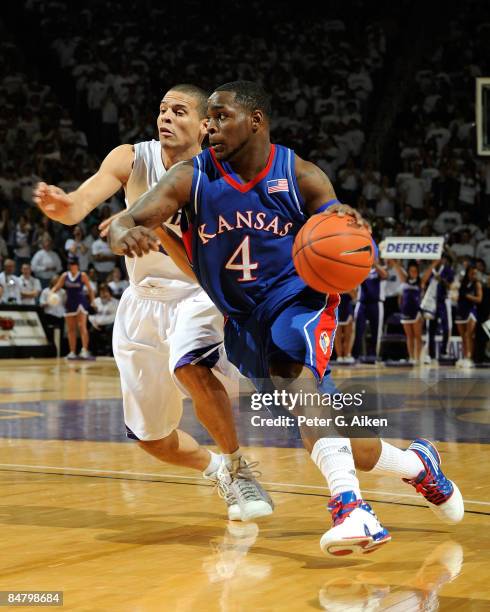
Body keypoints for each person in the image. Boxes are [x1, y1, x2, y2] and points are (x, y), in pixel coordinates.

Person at [107, 81, 463, 555]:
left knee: (290, 372)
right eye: (207, 118)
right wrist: (124, 231)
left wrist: (352, 233)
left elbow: (345, 231)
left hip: (299, 300)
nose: (209, 126)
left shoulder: (302, 176)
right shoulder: (191, 177)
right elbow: (127, 219)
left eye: (221, 117)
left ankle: (353, 509)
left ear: (256, 121)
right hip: (242, 319)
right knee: (341, 434)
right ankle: (419, 466)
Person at [33, 83, 271, 521]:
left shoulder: (224, 175)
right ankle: (217, 470)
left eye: (178, 111)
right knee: (152, 439)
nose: (165, 117)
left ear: (204, 125)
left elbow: (204, 269)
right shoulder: (131, 158)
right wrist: (62, 205)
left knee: (190, 363)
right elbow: (76, 208)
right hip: (142, 302)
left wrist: (158, 231)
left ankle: (239, 469)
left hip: (200, 293)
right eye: (162, 109)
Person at [51, 254, 94, 360]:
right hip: (69, 303)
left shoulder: (82, 275)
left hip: (81, 303)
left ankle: (84, 350)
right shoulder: (65, 276)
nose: (72, 266)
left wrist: (92, 301)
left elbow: (90, 289)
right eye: (70, 264)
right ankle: (72, 351)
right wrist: (51, 294)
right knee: (70, 329)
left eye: (74, 264)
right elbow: (56, 287)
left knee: (82, 327)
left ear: (77, 265)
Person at [421, 253, 455, 362]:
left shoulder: (448, 270)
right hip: (431, 302)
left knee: (446, 327)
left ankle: (444, 351)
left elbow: (450, 286)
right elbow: (423, 282)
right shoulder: (430, 270)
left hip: (443, 301)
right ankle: (430, 355)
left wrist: (441, 280)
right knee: (430, 328)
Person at [352, 261, 388, 361]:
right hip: (362, 303)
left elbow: (385, 275)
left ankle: (374, 355)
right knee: (357, 330)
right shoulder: (361, 270)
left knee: (376, 331)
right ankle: (356, 355)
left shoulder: (379, 269)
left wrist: (375, 264)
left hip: (376, 303)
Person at [392, 260, 423, 364]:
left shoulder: (421, 282)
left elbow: (429, 270)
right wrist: (390, 257)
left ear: (418, 272)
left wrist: (435, 262)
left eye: (415, 271)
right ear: (408, 271)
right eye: (411, 271)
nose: (413, 273)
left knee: (417, 336)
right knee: (409, 336)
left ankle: (418, 358)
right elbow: (396, 266)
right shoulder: (404, 280)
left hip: (416, 313)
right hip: (405, 312)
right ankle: (411, 358)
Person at [454, 264, 482, 368]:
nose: (473, 275)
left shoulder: (477, 284)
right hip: (461, 310)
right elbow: (455, 294)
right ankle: (464, 356)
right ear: (467, 272)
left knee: (469, 335)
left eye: (475, 273)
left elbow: (479, 299)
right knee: (463, 337)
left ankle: (469, 358)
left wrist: (467, 296)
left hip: (471, 310)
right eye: (471, 272)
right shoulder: (462, 283)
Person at [334, 290, 356, 364]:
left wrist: (349, 290)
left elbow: (355, 298)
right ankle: (339, 356)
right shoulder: (332, 282)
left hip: (347, 308)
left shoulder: (350, 283)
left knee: (349, 334)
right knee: (337, 335)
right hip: (336, 307)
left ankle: (347, 355)